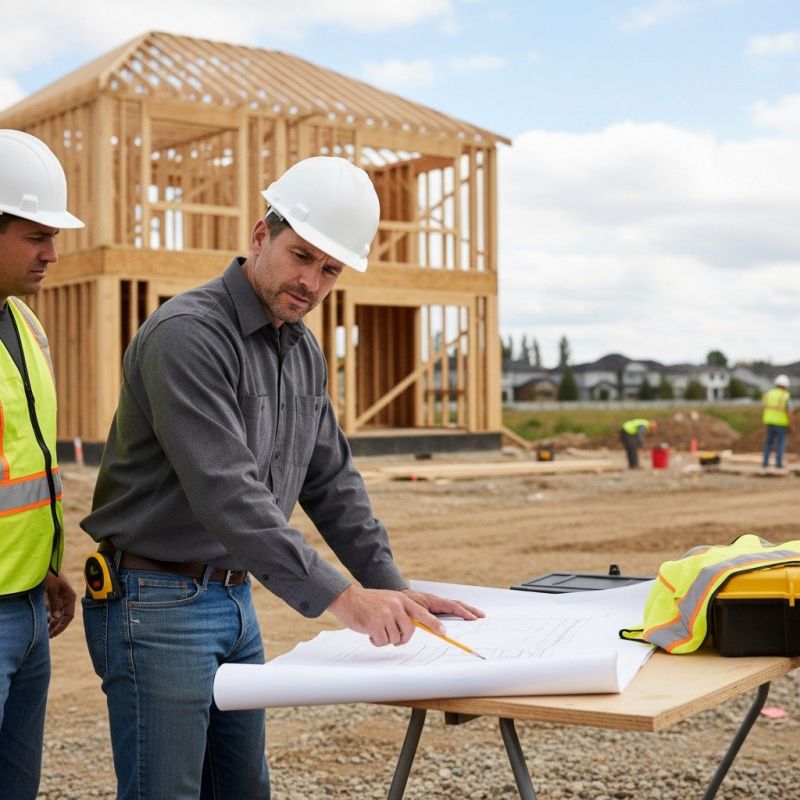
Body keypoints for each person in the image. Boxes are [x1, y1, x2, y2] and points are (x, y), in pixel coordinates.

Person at [81, 156, 483, 799]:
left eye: (330, 269)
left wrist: (390, 587)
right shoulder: (188, 335)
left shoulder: (299, 345)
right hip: (156, 603)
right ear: (260, 236)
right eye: (302, 256)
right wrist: (345, 600)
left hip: (237, 600)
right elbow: (227, 491)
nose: (312, 281)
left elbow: (332, 482)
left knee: (244, 790)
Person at [0, 130, 81, 799]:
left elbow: (26, 464)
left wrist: (45, 565)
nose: (52, 253)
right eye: (35, 236)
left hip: (28, 603)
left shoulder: (27, 325)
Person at [761, 374, 792, 469]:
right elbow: (789, 411)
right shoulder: (785, 395)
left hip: (769, 422)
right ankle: (778, 464)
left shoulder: (768, 393)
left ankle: (765, 463)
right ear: (785, 385)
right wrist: (790, 423)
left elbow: (763, 407)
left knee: (768, 443)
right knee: (780, 443)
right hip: (781, 423)